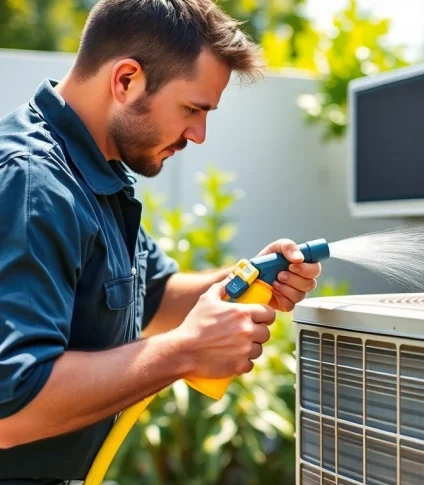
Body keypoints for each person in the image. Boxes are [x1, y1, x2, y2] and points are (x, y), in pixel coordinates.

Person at [0, 0, 322, 482]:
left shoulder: (95, 176)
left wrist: (256, 274)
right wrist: (186, 350)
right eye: (193, 109)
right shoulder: (33, 184)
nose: (199, 134)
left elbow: (155, 296)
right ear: (126, 80)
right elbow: (12, 404)